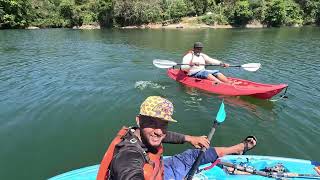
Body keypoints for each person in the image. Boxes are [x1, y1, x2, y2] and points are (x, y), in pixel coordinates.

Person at [97, 96, 257, 180]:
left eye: (164, 124)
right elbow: (129, 171)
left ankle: (238, 149)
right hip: (161, 174)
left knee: (194, 154)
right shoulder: (128, 154)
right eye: (152, 122)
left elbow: (160, 135)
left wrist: (190, 138)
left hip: (160, 168)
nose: (159, 131)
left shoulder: (138, 133)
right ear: (139, 120)